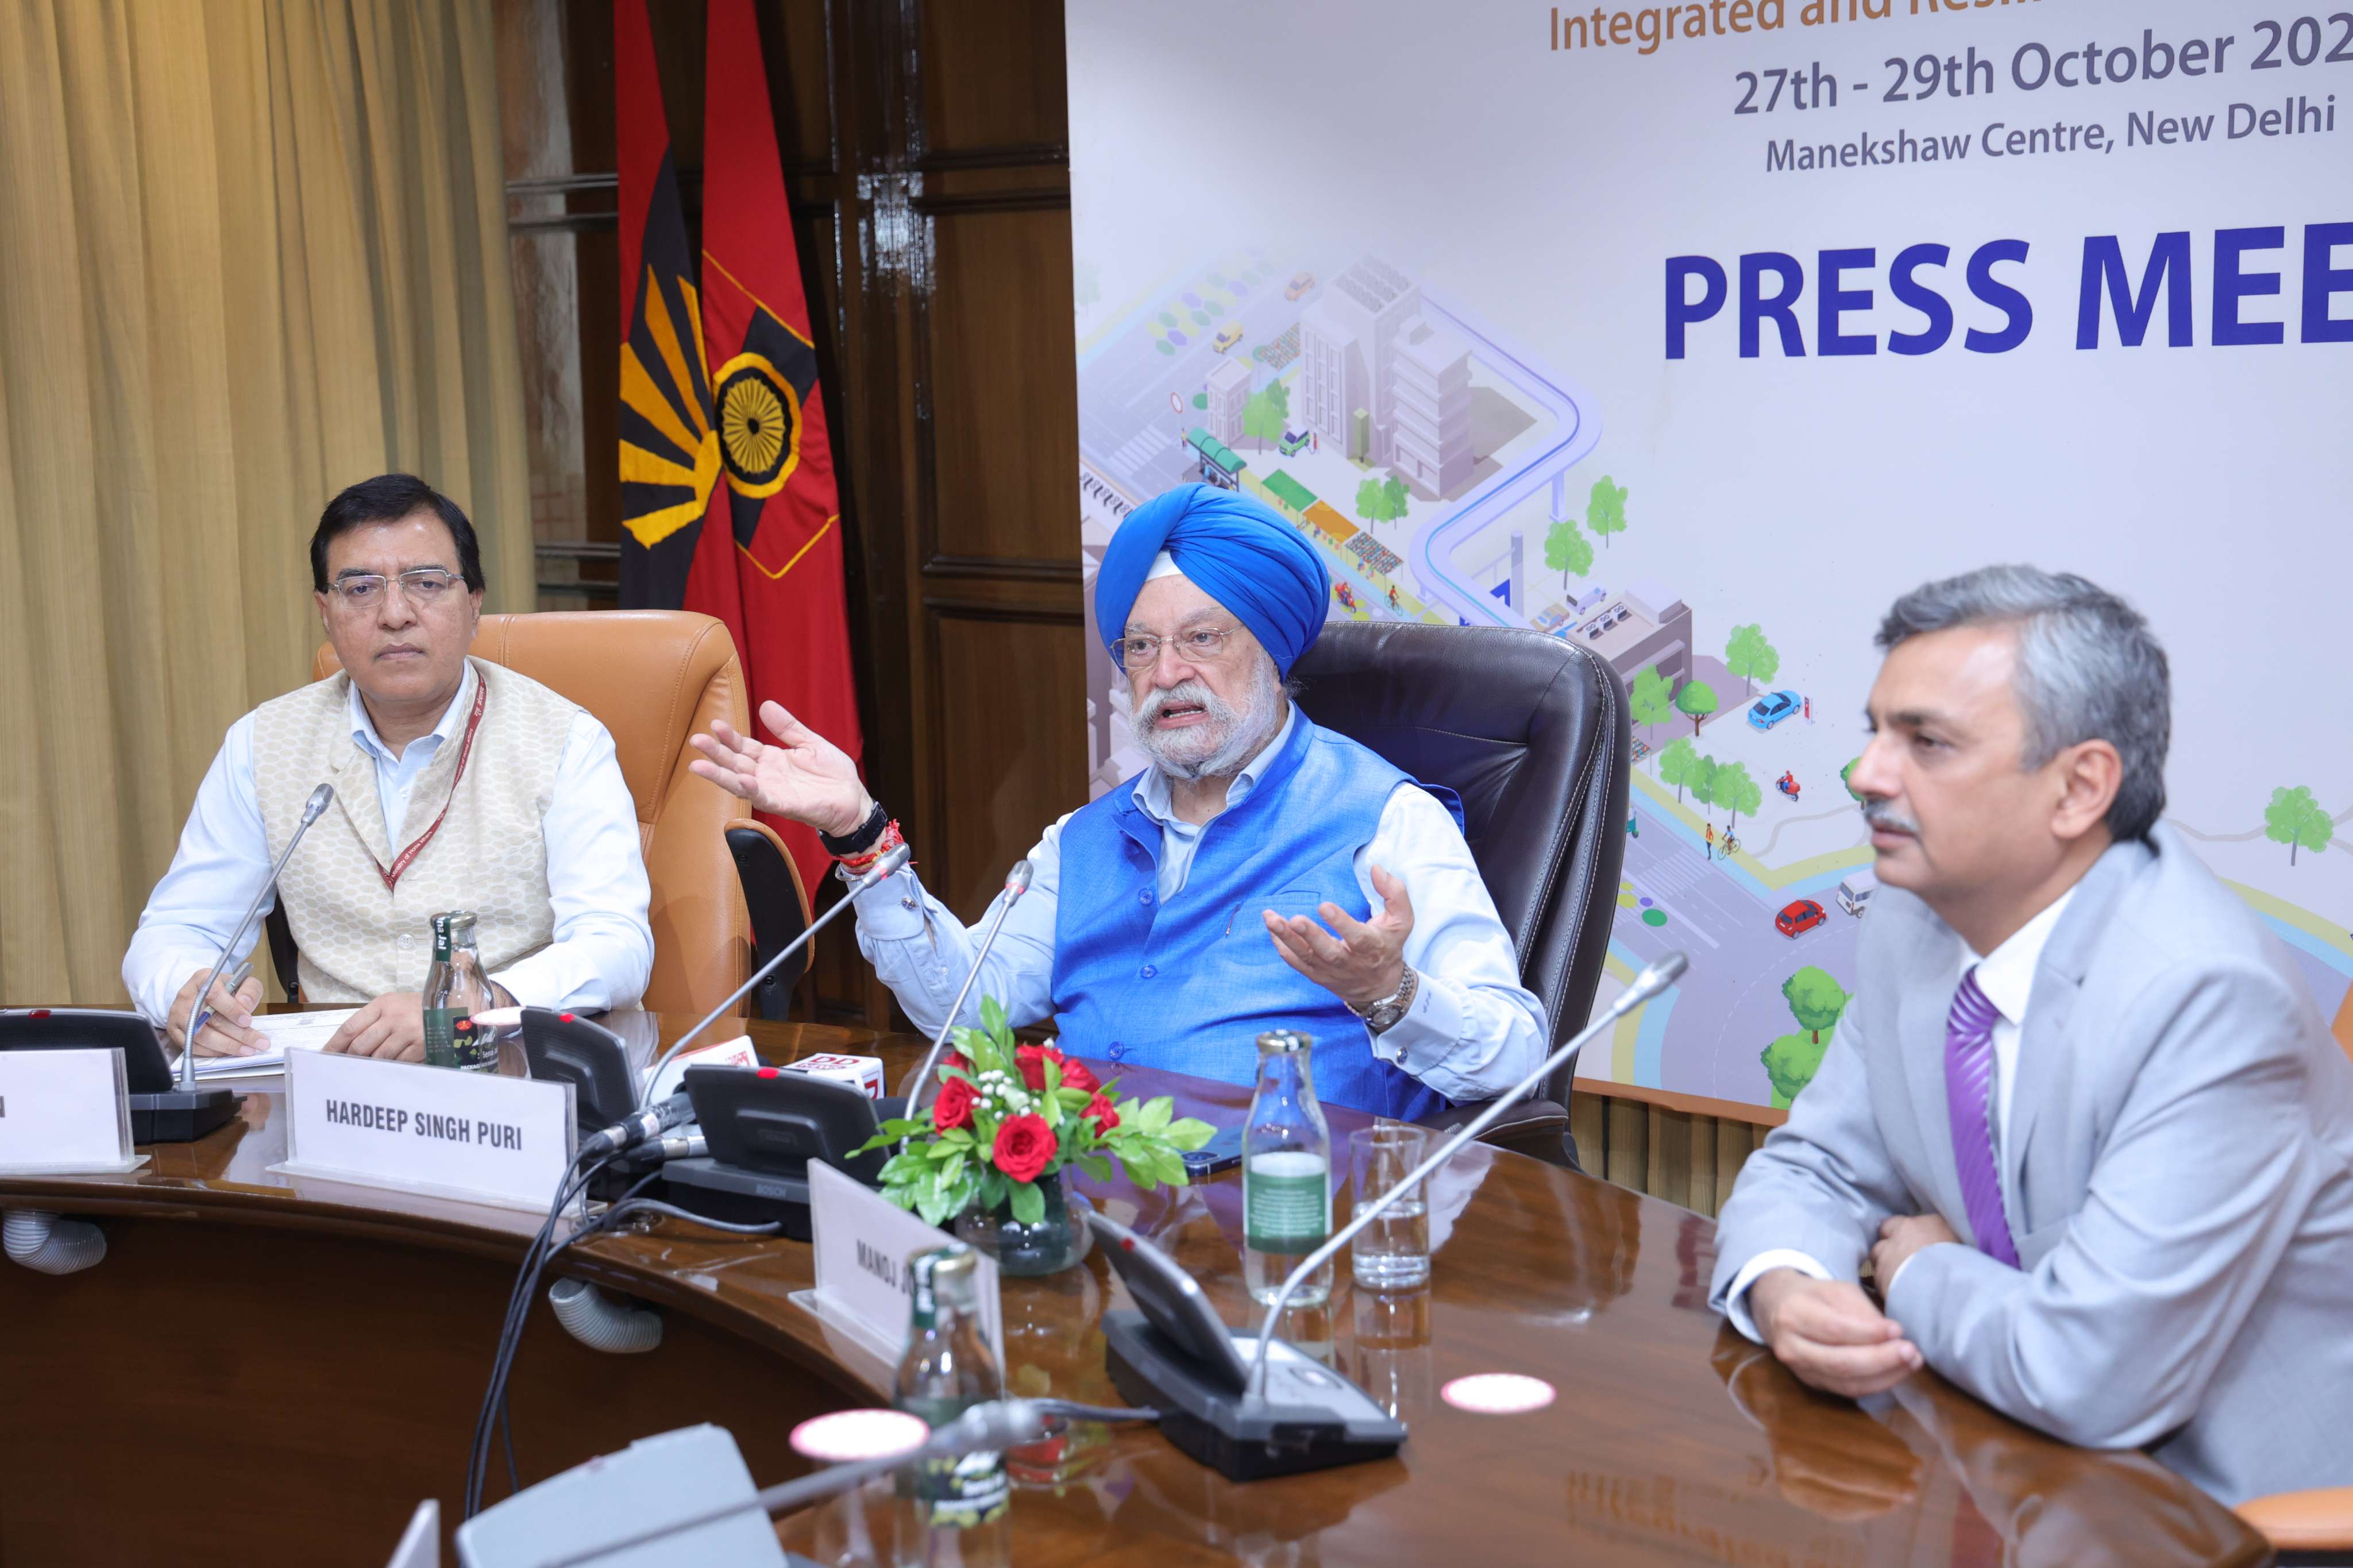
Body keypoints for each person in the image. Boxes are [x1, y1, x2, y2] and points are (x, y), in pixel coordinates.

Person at [1709, 565, 2353, 1506]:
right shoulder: (1916, 915)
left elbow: (2088, 1374)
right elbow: (1816, 1167)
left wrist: (1918, 1267)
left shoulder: (2209, 999)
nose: (1867, 775)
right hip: (1993, 1457)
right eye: (1875, 731)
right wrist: (1787, 1285)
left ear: (2079, 787)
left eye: (1926, 743)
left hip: (2214, 1514)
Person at [689, 482, 1545, 1118]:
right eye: (1140, 647)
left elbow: (1516, 1055)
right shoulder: (1083, 839)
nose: (1167, 673)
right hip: (1094, 1220)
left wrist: (1390, 991)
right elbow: (964, 1007)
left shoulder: (1386, 820)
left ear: (1272, 652)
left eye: (1201, 638)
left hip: (1295, 1222)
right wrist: (859, 832)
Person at [124, 474, 653, 1063]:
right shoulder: (262, 743)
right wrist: (182, 988)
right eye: (360, 589)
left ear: (474, 603)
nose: (395, 614)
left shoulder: (564, 740)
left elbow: (616, 944)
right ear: (325, 613)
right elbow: (182, 928)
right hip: (334, 1077)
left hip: (508, 1067)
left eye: (426, 583)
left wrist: (476, 1005)